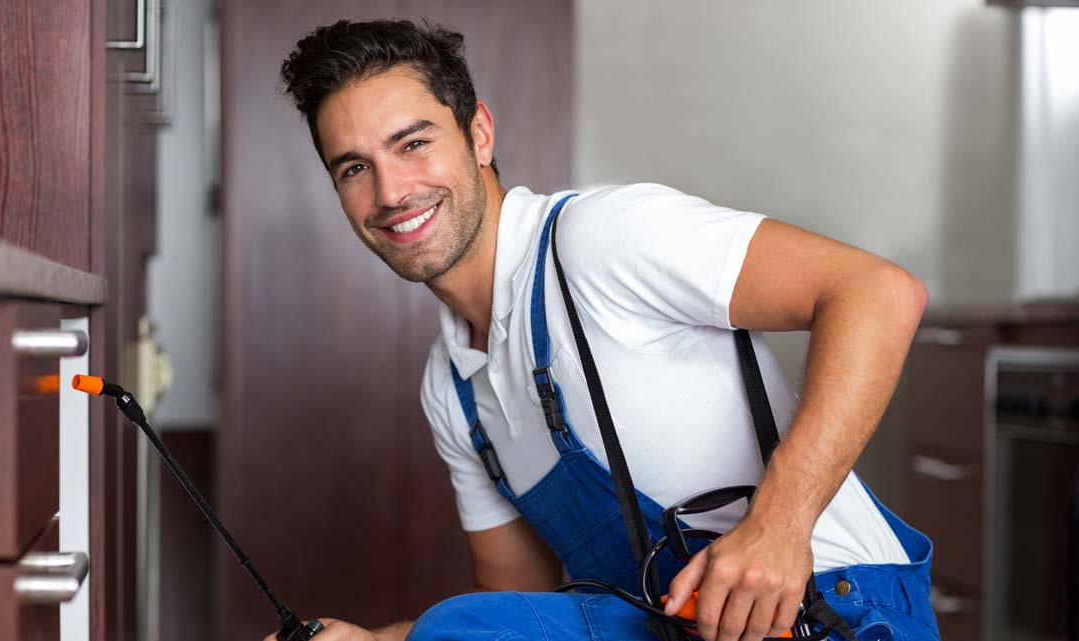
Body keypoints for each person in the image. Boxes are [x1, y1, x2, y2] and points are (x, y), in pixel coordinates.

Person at [267, 18, 939, 641]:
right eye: (354, 168)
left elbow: (876, 291)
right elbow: (517, 603)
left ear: (479, 134)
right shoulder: (450, 387)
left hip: (835, 610)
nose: (390, 192)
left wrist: (780, 525)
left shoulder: (600, 239)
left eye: (413, 144)